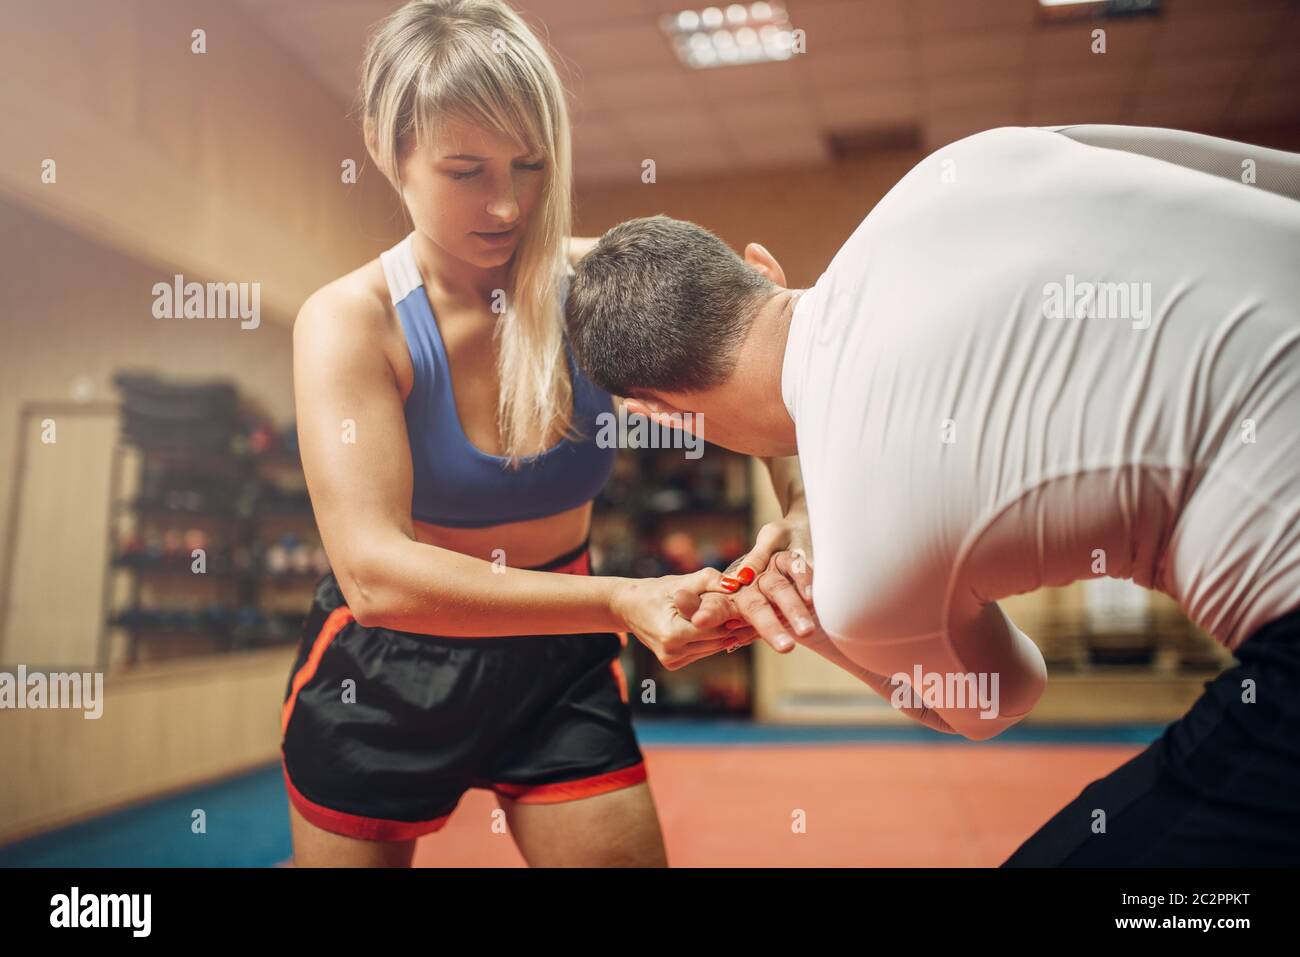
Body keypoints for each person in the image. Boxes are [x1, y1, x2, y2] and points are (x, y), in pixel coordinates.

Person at [563, 124, 1300, 865]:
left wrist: (822, 619)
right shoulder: (954, 170)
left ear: (660, 410)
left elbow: (999, 701)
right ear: (761, 265)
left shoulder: (869, 555)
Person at [281, 0, 801, 868]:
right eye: (465, 170)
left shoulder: (598, 287)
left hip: (557, 664)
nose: (508, 202)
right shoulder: (349, 322)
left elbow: (775, 389)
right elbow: (373, 573)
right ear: (386, 146)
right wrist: (618, 602)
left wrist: (803, 514)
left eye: (530, 163)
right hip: (381, 672)